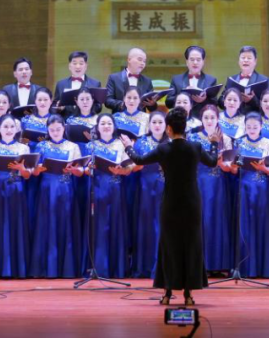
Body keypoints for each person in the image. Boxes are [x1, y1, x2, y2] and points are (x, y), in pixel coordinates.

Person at [123, 107, 218, 305]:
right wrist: (214, 143)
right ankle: (188, 294)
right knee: (191, 244)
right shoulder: (195, 147)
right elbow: (212, 162)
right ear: (185, 127)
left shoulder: (163, 149)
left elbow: (139, 160)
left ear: (168, 129)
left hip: (171, 201)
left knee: (169, 245)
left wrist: (128, 147)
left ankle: (167, 293)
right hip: (192, 201)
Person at [29, 115, 85, 278]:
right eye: (52, 130)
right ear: (47, 130)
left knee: (65, 224)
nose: (55, 132)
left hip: (66, 190)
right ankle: (45, 268)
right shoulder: (41, 146)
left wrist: (75, 170)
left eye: (58, 129)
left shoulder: (73, 146)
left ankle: (66, 268)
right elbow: (34, 171)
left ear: (64, 129)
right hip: (46, 190)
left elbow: (80, 172)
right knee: (47, 225)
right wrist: (38, 169)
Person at [81, 114, 133, 279]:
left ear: (114, 126)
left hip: (115, 189)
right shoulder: (91, 146)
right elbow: (84, 169)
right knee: (99, 227)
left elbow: (129, 168)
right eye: (102, 123)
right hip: (97, 189)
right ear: (97, 127)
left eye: (109, 123)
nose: (106, 126)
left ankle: (117, 268)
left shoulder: (120, 145)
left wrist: (122, 170)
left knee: (116, 225)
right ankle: (98, 267)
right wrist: (89, 168)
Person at [0, 115, 33, 279]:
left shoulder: (23, 148)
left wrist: (22, 169)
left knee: (15, 225)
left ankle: (17, 268)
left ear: (17, 129)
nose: (9, 130)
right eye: (5, 126)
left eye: (12, 127)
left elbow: (27, 175)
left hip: (16, 189)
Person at [230, 112, 269, 278]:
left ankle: (264, 268)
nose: (251, 129)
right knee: (244, 226)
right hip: (243, 187)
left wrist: (263, 168)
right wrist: (234, 166)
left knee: (262, 224)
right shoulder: (239, 143)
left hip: (262, 188)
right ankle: (244, 267)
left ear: (261, 127)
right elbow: (234, 170)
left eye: (255, 127)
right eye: (248, 127)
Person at [186, 104, 234, 274]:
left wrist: (222, 163)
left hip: (218, 183)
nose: (209, 121)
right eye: (206, 117)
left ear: (218, 119)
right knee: (200, 220)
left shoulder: (225, 138)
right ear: (201, 119)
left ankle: (218, 264)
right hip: (199, 182)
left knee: (216, 220)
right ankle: (200, 265)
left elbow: (229, 166)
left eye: (212, 117)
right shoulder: (193, 137)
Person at [130, 111, 170, 278]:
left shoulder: (171, 143)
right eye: (154, 122)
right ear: (149, 125)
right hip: (146, 188)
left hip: (167, 188)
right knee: (147, 225)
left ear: (166, 125)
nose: (157, 125)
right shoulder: (141, 142)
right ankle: (145, 266)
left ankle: (164, 267)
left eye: (160, 122)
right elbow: (133, 166)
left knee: (164, 226)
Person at [166, 45, 219, 117]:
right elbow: (168, 103)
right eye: (192, 59)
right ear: (187, 62)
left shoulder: (211, 80)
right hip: (181, 119)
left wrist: (203, 100)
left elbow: (215, 103)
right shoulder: (176, 79)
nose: (195, 62)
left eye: (198, 60)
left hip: (202, 119)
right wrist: (182, 97)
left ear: (203, 62)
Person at [52, 51, 103, 116]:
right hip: (66, 120)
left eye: (81, 63)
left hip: (87, 120)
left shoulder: (95, 84)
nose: (78, 66)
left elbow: (98, 107)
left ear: (86, 66)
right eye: (74, 63)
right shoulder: (61, 84)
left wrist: (86, 107)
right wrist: (59, 108)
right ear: (69, 66)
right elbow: (54, 105)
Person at [106, 47, 155, 112]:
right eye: (139, 59)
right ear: (129, 59)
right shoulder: (114, 78)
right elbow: (107, 100)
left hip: (140, 117)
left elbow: (152, 108)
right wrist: (122, 104)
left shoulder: (147, 81)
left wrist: (152, 104)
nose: (142, 63)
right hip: (119, 116)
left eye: (144, 61)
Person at [221, 45, 267, 114]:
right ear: (239, 61)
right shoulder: (232, 80)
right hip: (234, 118)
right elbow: (220, 101)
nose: (245, 60)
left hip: (254, 119)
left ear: (255, 61)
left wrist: (252, 100)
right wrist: (229, 101)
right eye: (243, 58)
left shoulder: (263, 80)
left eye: (249, 58)